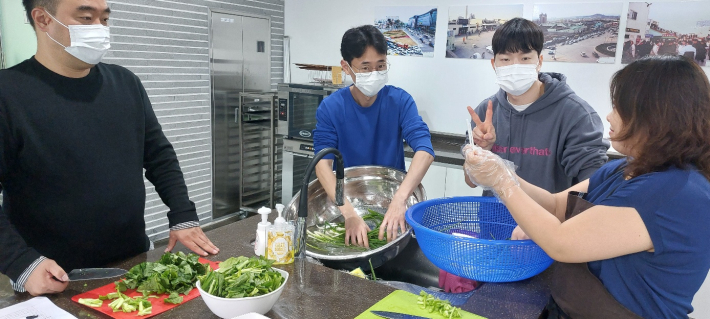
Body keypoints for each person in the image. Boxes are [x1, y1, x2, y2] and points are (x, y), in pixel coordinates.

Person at [463, 55, 710, 318]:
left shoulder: (675, 193)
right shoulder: (626, 168)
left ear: (656, 118)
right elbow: (557, 205)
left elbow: (561, 242)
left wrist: (501, 182)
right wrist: (500, 169)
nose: (609, 116)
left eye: (619, 108)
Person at [0, 0, 219, 296]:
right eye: (86, 18)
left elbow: (158, 155)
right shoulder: (9, 94)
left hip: (133, 265)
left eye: (104, 19)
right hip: (51, 276)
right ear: (43, 19)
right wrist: (21, 262)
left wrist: (182, 213)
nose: (99, 29)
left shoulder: (125, 83)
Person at [312, 25, 435, 247]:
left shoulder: (400, 102)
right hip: (346, 204)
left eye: (381, 66)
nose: (374, 74)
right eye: (365, 67)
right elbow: (322, 165)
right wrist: (349, 214)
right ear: (346, 67)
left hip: (391, 201)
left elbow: (425, 152)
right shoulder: (331, 107)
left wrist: (400, 199)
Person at [464, 17, 609, 198]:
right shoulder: (486, 112)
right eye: (505, 59)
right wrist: (483, 150)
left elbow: (594, 184)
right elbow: (470, 181)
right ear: (494, 64)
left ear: (539, 62)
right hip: (493, 222)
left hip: (550, 224)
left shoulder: (576, 115)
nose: (515, 66)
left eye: (525, 58)